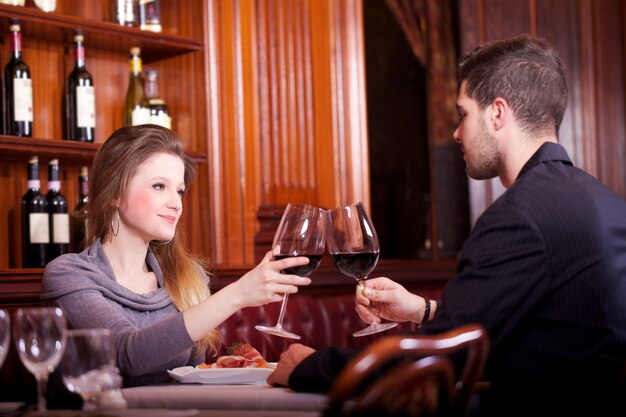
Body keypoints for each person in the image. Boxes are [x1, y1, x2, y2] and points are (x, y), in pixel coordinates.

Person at [267, 34, 626, 416]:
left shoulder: (518, 216)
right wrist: (421, 310)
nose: (456, 132)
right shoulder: (610, 204)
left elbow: (429, 364)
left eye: (463, 113)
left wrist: (309, 366)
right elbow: (532, 327)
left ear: (497, 113)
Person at [41, 125, 312, 387]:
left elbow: (190, 374)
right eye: (159, 186)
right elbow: (128, 355)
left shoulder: (189, 278)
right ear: (113, 193)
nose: (176, 203)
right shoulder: (70, 274)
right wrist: (237, 294)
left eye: (180, 190)